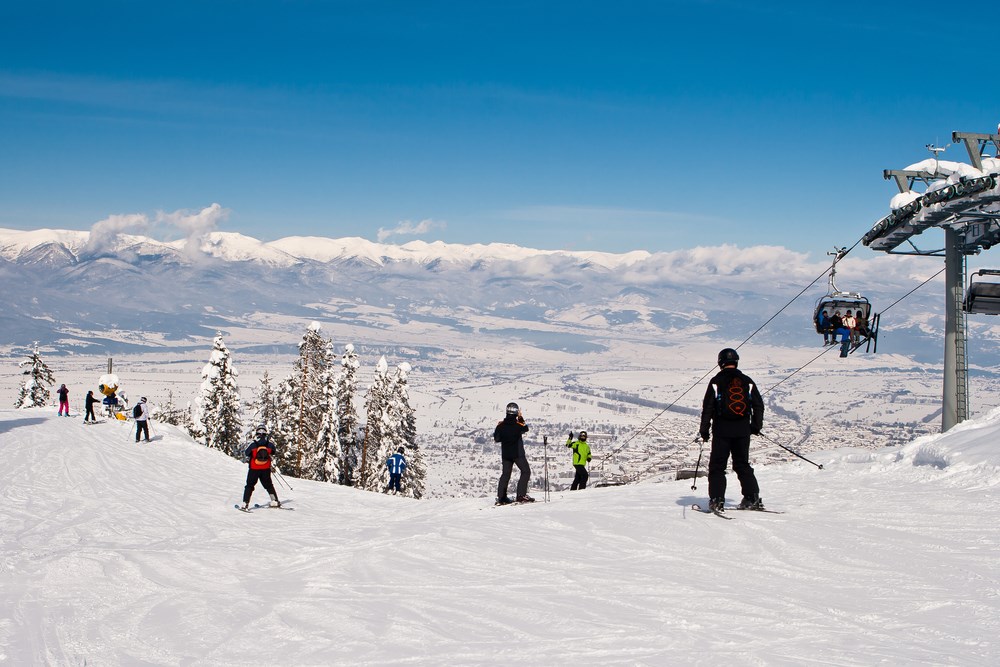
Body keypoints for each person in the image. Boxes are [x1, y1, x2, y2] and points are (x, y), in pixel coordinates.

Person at [699, 348, 765, 512]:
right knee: (742, 464)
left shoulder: (716, 382)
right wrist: (755, 427)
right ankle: (752, 497)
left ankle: (717, 500)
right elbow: (758, 406)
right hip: (743, 429)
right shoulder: (747, 381)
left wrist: (704, 431)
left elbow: (708, 407)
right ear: (736, 362)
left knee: (717, 467)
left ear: (720, 363)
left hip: (722, 430)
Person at [493, 401, 533, 504]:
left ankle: (501, 498)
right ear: (516, 412)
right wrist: (520, 418)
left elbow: (497, 438)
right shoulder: (518, 425)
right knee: (526, 471)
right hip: (517, 453)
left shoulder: (500, 425)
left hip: (506, 454)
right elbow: (525, 428)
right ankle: (521, 495)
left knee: (505, 475)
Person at [241, 426, 281, 510]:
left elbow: (247, 453)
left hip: (254, 468)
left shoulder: (253, 444)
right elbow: (274, 451)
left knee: (249, 486)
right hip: (265, 468)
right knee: (268, 485)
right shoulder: (269, 444)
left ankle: (245, 503)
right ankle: (275, 501)